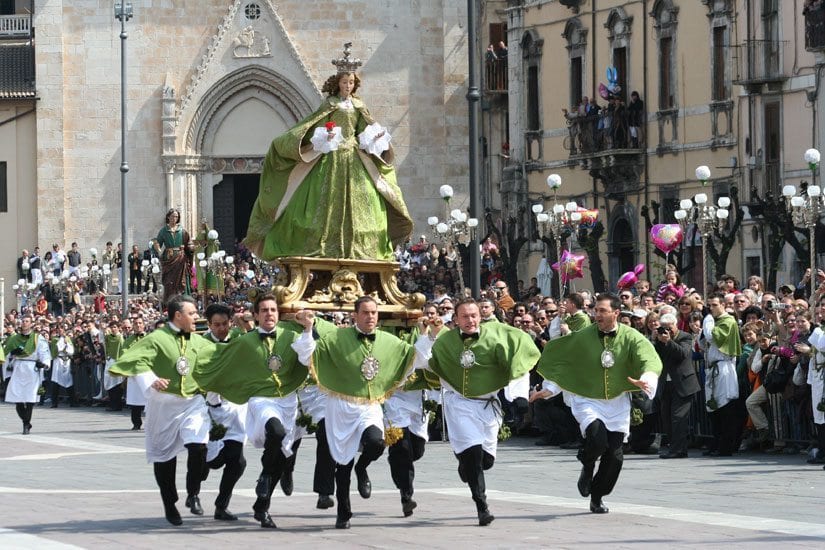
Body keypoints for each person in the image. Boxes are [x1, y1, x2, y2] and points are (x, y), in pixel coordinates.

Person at [244, 42, 413, 262]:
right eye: (345, 82)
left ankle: (360, 245)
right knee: (323, 201)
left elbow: (364, 131)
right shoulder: (329, 105)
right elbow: (312, 127)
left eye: (351, 82)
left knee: (366, 199)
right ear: (338, 83)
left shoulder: (360, 106)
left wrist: (375, 136)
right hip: (332, 157)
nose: (348, 86)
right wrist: (325, 136)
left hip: (354, 158)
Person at [192, 295, 317, 529]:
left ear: (278, 314)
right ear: (256, 315)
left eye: (273, 310)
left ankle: (263, 505)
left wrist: (308, 328)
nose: (269, 314)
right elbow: (220, 359)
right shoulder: (246, 341)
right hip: (261, 399)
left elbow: (307, 357)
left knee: (281, 454)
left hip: (288, 400)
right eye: (264, 310)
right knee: (276, 432)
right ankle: (262, 477)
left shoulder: (291, 336)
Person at [532, 293, 662, 514]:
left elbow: (648, 358)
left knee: (615, 455)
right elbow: (564, 362)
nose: (597, 314)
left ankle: (598, 495)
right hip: (587, 398)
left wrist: (646, 378)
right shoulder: (582, 336)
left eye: (602, 311)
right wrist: (550, 388)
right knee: (596, 437)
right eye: (596, 310)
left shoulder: (631, 337)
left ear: (616, 313)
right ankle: (587, 463)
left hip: (617, 400)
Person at [423, 298, 540, 526]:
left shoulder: (496, 335)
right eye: (465, 316)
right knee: (474, 455)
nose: (470, 320)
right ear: (456, 319)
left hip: (488, 404)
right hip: (460, 404)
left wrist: (518, 398)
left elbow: (518, 355)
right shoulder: (445, 341)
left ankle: (465, 462)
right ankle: (482, 506)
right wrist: (426, 336)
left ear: (481, 316)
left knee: (485, 461)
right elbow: (429, 361)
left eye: (474, 315)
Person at [108, 295, 217, 526]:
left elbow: (220, 357)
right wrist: (151, 379)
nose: (196, 316)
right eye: (192, 313)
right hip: (164, 404)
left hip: (193, 401)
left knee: (198, 446)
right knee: (164, 455)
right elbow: (135, 360)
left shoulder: (199, 341)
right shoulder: (156, 338)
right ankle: (169, 501)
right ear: (178, 315)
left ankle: (193, 493)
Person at [312, 296, 416, 529]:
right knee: (343, 462)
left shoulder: (387, 340)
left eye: (374, 313)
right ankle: (343, 512)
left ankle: (363, 467)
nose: (371, 317)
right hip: (341, 404)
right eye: (366, 313)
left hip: (369, 404)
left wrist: (430, 334)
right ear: (355, 315)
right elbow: (311, 354)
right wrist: (308, 328)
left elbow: (413, 354)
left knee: (376, 443)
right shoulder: (336, 338)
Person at [199, 302, 247, 522]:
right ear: (209, 324)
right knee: (208, 461)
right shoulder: (200, 344)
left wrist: (244, 323)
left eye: (225, 324)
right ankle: (194, 491)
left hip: (233, 408)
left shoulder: (238, 340)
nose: (221, 329)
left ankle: (222, 505)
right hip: (207, 409)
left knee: (238, 462)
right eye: (216, 325)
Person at [700, 293, 742, 457]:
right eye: (709, 305)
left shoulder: (727, 321)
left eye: (714, 305)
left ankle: (726, 446)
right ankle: (716, 442)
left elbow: (713, 337)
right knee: (713, 408)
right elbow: (704, 343)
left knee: (725, 408)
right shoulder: (715, 322)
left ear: (723, 305)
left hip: (723, 368)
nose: (711, 308)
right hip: (712, 369)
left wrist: (707, 321)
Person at [655, 313, 700, 458]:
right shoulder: (660, 340)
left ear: (676, 324)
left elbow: (683, 354)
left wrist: (669, 342)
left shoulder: (685, 336)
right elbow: (656, 356)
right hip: (666, 384)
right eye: (664, 328)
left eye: (670, 327)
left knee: (678, 418)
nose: (667, 331)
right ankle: (674, 447)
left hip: (683, 384)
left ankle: (678, 450)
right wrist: (659, 341)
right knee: (667, 418)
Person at [3, 314, 52, 434]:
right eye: (23, 321)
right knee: (17, 398)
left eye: (27, 321)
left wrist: (44, 364)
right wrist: (12, 354)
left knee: (30, 398)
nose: (24, 323)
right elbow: (5, 353)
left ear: (31, 324)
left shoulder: (37, 338)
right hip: (19, 367)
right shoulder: (14, 338)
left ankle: (26, 425)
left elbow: (44, 352)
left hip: (32, 368)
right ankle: (26, 421)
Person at [155, 208, 193, 304]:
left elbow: (189, 242)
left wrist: (191, 247)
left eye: (176, 216)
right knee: (169, 281)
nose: (174, 218)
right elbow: (156, 242)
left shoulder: (182, 231)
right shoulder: (164, 231)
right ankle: (169, 300)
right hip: (169, 258)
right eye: (172, 216)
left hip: (180, 258)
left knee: (182, 279)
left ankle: (183, 299)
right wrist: (159, 250)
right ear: (168, 217)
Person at [124, 317, 148, 430]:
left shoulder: (149, 338)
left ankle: (151, 422)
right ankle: (136, 422)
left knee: (150, 399)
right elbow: (124, 355)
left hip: (147, 371)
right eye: (136, 323)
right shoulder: (128, 341)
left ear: (143, 325)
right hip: (134, 372)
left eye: (140, 323)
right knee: (135, 399)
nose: (138, 325)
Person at [49, 325, 76, 407]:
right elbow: (55, 350)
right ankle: (54, 403)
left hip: (66, 361)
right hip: (58, 360)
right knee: (56, 381)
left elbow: (71, 351)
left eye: (62, 329)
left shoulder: (68, 339)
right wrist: (61, 345)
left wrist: (66, 344)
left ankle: (73, 402)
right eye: (59, 329)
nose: (61, 331)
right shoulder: (55, 340)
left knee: (68, 381)